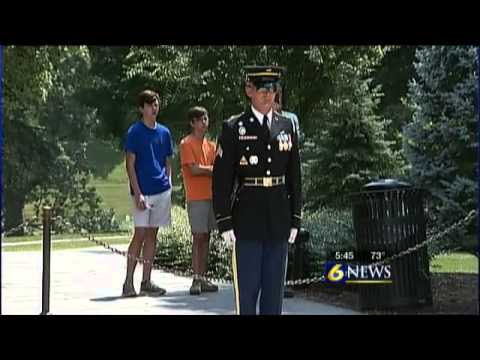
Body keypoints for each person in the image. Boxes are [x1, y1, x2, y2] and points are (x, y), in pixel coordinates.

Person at [212, 66, 302, 315]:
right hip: (247, 219)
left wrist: (296, 218)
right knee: (248, 293)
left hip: (278, 218)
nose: (267, 95)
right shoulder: (234, 128)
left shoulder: (286, 126)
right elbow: (221, 180)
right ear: (249, 90)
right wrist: (224, 221)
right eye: (262, 89)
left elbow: (295, 176)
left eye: (272, 89)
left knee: (274, 294)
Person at [122, 89, 174, 297]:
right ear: (141, 108)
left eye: (157, 103)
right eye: (150, 104)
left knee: (153, 235)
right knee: (140, 234)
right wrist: (137, 193)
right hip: (143, 191)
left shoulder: (164, 132)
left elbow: (168, 161)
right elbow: (130, 165)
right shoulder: (134, 132)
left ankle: (146, 281)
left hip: (161, 190)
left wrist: (168, 183)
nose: (154, 107)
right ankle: (128, 283)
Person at [179, 106, 219, 295]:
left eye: (206, 119)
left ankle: (203, 278)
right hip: (196, 197)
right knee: (198, 236)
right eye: (200, 119)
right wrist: (211, 170)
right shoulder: (186, 143)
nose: (204, 123)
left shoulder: (211, 145)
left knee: (207, 236)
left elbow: (218, 166)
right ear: (192, 123)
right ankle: (195, 278)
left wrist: (212, 169)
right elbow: (193, 170)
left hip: (211, 196)